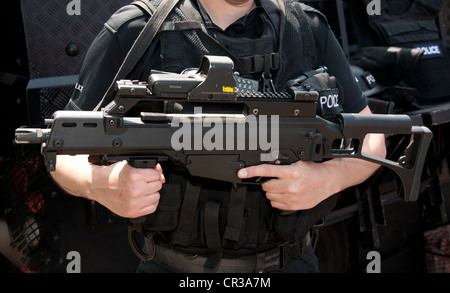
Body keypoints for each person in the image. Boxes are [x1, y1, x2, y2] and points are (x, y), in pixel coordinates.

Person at [51, 0, 386, 273]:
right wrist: (103, 184)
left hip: (290, 262)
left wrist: (327, 178)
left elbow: (373, 138)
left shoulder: (307, 28)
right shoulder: (138, 29)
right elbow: (62, 147)